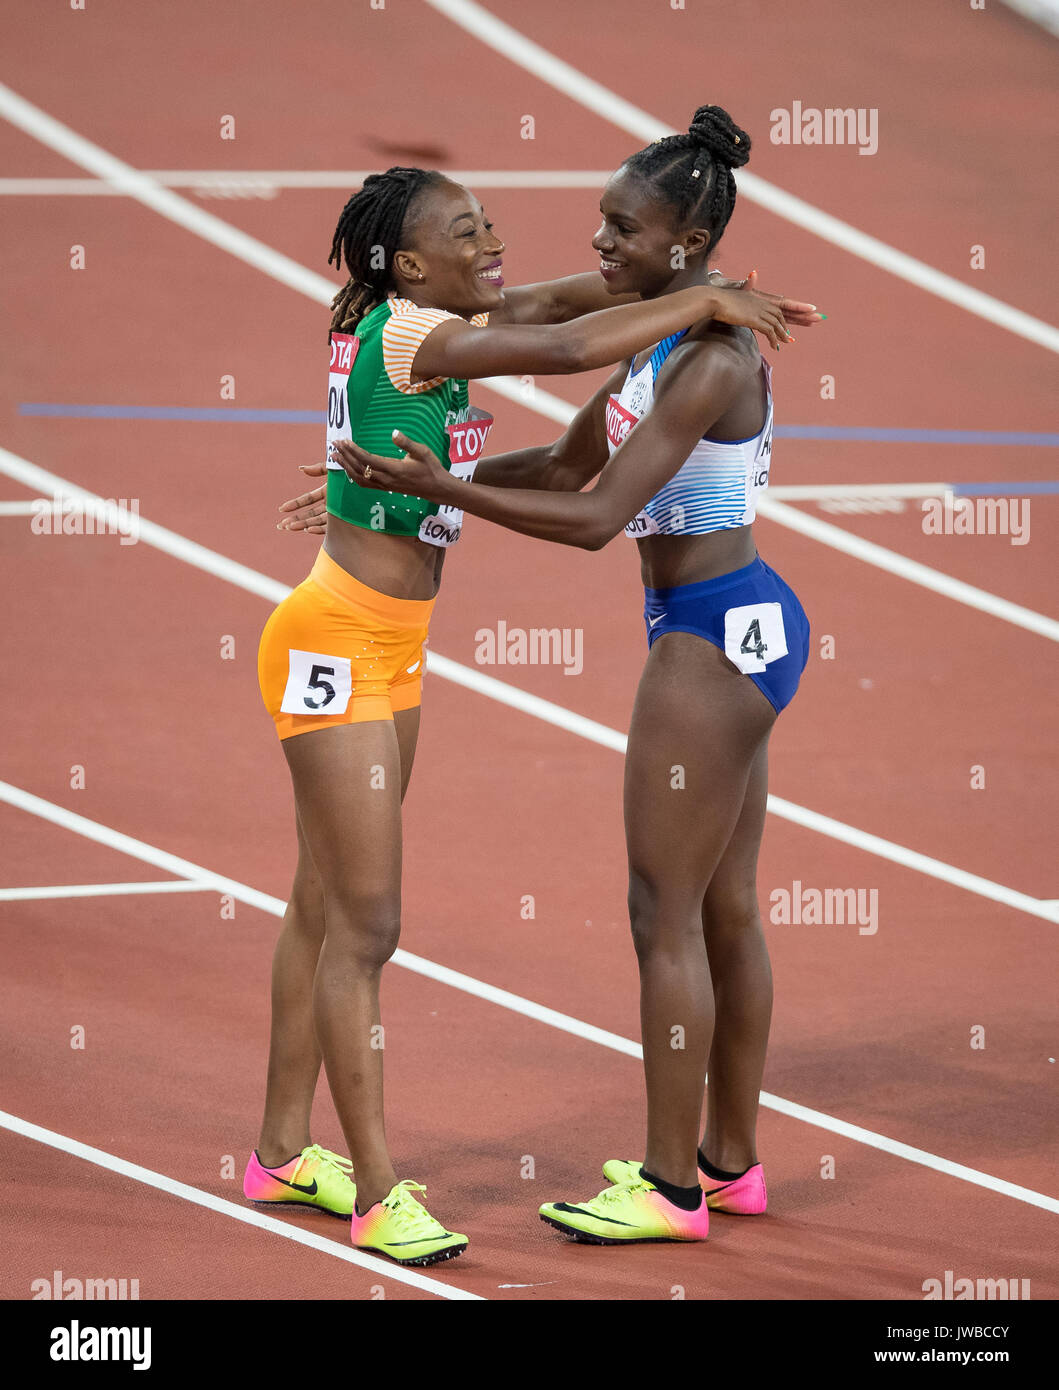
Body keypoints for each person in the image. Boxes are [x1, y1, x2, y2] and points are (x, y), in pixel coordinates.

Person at [249, 163, 812, 1266]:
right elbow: (561, 365)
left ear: (682, 242)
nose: (526, 244)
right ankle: (353, 1181)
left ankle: (683, 1176)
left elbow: (564, 348)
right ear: (411, 264)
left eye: (619, 230)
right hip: (343, 641)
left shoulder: (675, 353)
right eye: (471, 231)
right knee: (351, 918)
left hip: (682, 630)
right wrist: (698, 291)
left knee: (682, 910)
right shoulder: (421, 334)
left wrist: (423, 490)